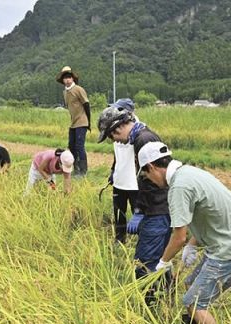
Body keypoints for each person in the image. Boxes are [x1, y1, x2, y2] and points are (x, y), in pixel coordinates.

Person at [139, 142, 231, 324]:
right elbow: (207, 216)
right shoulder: (189, 173)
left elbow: (178, 236)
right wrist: (193, 244)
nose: (150, 181)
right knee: (190, 284)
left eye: (147, 175)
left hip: (229, 253)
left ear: (151, 166)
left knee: (194, 302)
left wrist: (163, 263)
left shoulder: (179, 187)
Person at [97, 103, 170, 282]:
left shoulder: (144, 140)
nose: (114, 140)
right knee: (159, 259)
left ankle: (149, 303)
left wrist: (139, 211)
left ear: (120, 126)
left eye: (112, 135)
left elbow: (155, 179)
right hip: (154, 208)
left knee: (145, 263)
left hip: (157, 209)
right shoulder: (139, 137)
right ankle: (165, 296)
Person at [99, 99, 140, 243]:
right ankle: (120, 239)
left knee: (139, 212)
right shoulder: (115, 128)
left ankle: (142, 241)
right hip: (119, 179)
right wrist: (113, 171)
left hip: (134, 182)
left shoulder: (138, 130)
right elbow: (117, 154)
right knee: (119, 212)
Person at [56, 66, 89, 176]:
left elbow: (86, 105)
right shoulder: (65, 92)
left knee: (80, 146)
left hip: (82, 121)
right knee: (71, 146)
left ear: (73, 79)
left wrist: (88, 123)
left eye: (69, 77)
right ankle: (75, 168)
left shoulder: (79, 89)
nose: (67, 80)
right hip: (73, 123)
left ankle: (83, 171)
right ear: (62, 80)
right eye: (65, 78)